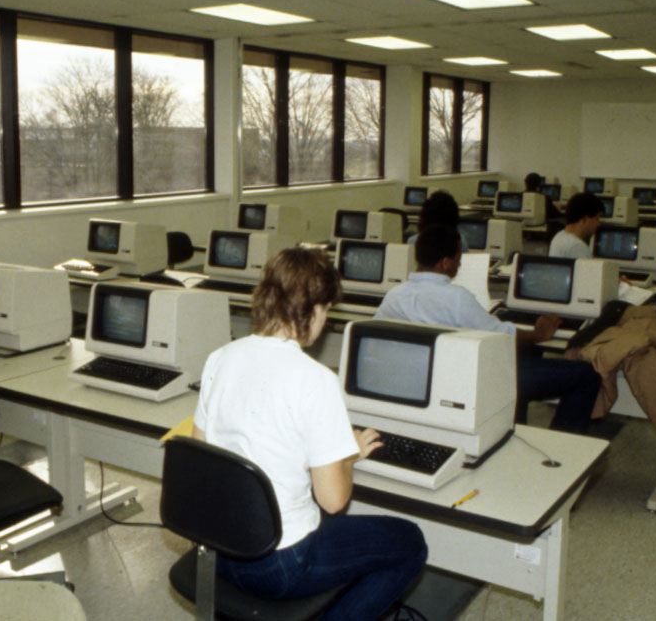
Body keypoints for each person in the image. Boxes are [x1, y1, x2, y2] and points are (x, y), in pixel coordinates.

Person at [193, 248, 427, 620]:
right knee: (411, 542)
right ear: (315, 309)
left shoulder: (219, 357)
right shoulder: (316, 379)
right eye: (328, 311)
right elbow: (333, 500)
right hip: (281, 565)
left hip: (220, 552)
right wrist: (346, 456)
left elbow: (203, 451)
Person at [377, 225, 601, 433]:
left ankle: (511, 430)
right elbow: (501, 336)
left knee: (526, 353)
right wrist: (538, 334)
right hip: (472, 381)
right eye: (458, 259)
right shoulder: (456, 297)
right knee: (586, 375)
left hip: (420, 378)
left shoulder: (394, 296)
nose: (460, 265)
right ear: (445, 262)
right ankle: (563, 446)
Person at [549, 191, 604, 259]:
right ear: (584, 219)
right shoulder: (577, 247)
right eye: (597, 219)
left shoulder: (558, 237)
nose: (599, 224)